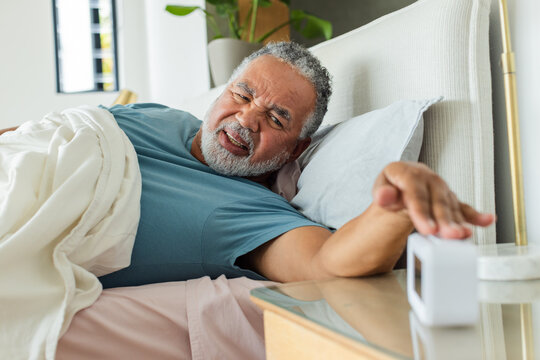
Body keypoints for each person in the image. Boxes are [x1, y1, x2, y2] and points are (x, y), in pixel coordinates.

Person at [1, 42, 495, 288]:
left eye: (277, 117)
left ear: (295, 151)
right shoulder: (160, 115)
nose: (248, 117)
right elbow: (40, 136)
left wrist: (397, 199)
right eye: (243, 94)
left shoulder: (245, 212)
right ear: (223, 92)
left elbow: (329, 262)